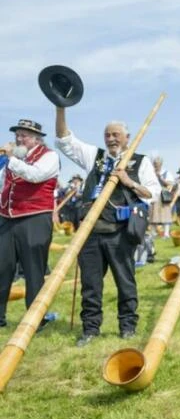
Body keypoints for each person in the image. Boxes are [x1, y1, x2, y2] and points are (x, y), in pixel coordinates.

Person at [55, 111, 159, 346]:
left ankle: (127, 326)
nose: (111, 139)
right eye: (107, 135)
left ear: (127, 137)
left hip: (120, 231)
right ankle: (90, 329)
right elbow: (64, 139)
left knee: (125, 281)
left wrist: (128, 181)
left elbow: (153, 193)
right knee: (90, 284)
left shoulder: (140, 161)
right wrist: (60, 108)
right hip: (89, 232)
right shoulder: (95, 156)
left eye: (116, 135)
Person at [0, 119, 59, 330]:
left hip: (35, 217)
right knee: (2, 267)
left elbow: (35, 176)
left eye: (23, 135)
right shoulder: (11, 158)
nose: (18, 138)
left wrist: (10, 158)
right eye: (17, 134)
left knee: (34, 270)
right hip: (7, 217)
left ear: (36, 139)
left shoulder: (49, 156)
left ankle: (36, 319)